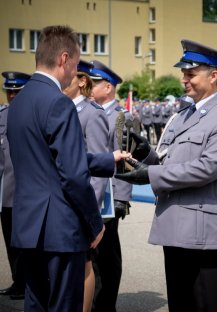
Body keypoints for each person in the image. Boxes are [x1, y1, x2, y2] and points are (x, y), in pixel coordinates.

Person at [116, 39, 217, 312]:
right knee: (180, 304)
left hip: (203, 231)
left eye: (190, 73)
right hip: (174, 223)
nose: (184, 79)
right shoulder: (182, 116)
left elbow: (207, 168)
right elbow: (168, 161)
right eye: (183, 73)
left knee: (207, 305)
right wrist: (144, 152)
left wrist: (149, 173)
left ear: (213, 76)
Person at [6, 25, 129, 312]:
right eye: (75, 64)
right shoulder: (59, 103)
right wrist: (94, 223)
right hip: (59, 230)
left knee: (36, 303)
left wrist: (107, 159)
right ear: (63, 59)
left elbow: (49, 160)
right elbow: (72, 175)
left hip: (28, 226)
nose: (76, 73)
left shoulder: (18, 103)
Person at [63, 59, 111, 312]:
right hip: (64, 204)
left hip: (82, 206)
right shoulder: (62, 109)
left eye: (69, 76)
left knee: (86, 266)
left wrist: (92, 215)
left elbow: (98, 169)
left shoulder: (92, 114)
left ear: (82, 81)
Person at [88, 60, 136, 312]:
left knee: (106, 254)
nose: (89, 87)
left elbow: (127, 161)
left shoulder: (122, 117)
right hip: (92, 192)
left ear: (108, 87)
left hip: (109, 196)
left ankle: (106, 304)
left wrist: (121, 198)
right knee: (92, 255)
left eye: (94, 83)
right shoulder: (89, 110)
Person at [0, 71, 31, 300]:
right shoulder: (2, 115)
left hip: (28, 191)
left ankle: (29, 284)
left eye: (16, 92)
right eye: (8, 91)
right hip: (7, 190)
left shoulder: (32, 114)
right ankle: (17, 282)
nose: (11, 96)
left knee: (27, 244)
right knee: (10, 241)